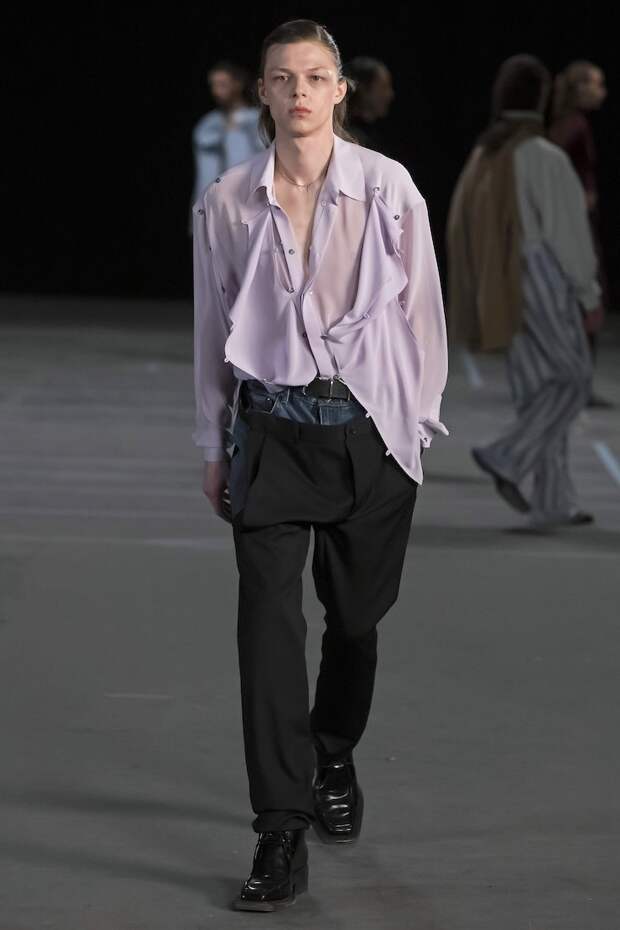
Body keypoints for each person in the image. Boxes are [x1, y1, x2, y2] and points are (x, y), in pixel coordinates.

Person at [191, 18, 448, 911]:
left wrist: (414, 433)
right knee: (266, 631)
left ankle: (332, 750)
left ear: (340, 91)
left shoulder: (388, 187)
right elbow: (211, 331)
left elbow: (423, 317)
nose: (298, 89)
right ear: (262, 92)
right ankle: (279, 829)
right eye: (281, 76)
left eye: (314, 76)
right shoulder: (228, 201)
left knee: (355, 620)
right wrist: (212, 444)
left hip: (370, 435)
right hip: (269, 434)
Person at [446, 54, 600, 528]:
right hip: (540, 274)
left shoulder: (486, 152)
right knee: (573, 379)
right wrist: (588, 292)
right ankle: (508, 454)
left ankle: (553, 501)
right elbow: (568, 233)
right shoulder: (541, 156)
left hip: (498, 279)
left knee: (538, 392)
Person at [549, 60, 612, 408]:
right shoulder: (575, 127)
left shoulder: (563, 126)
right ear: (579, 88)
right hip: (575, 229)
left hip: (564, 228)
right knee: (586, 303)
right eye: (596, 84)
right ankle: (577, 385)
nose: (602, 92)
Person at [189, 60, 264, 233]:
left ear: (237, 84)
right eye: (213, 85)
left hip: (248, 208)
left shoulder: (256, 120)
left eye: (222, 84)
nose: (216, 91)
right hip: (211, 210)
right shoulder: (208, 124)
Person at [343, 56, 395, 153]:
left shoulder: (375, 137)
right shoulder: (346, 137)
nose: (390, 94)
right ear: (362, 87)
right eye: (383, 87)